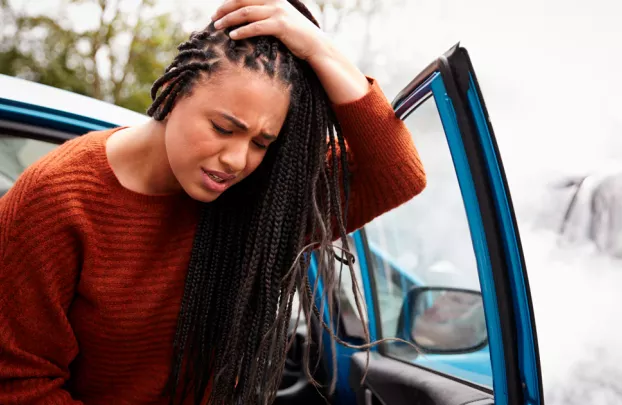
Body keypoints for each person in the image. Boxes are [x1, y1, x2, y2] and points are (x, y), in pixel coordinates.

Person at [0, 0, 426, 404]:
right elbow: (18, 382)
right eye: (224, 128)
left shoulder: (258, 198)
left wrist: (317, 46)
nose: (237, 160)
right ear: (174, 88)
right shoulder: (55, 199)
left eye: (262, 142)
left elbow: (396, 174)